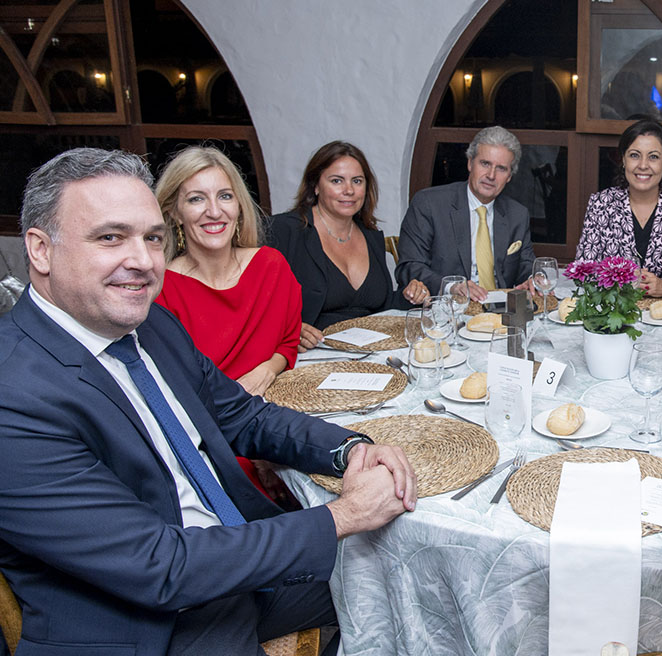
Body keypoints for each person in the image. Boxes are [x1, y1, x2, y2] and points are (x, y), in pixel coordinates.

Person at [1, 147, 417, 654]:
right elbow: (162, 567)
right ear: (40, 250)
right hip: (155, 622)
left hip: (234, 562)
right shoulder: (14, 394)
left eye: (152, 238)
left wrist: (351, 449)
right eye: (110, 237)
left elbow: (245, 416)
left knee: (403, 585)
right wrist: (343, 516)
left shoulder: (151, 324)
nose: (141, 261)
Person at [153, 145, 303, 502]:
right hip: (211, 436)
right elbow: (178, 395)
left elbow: (288, 341)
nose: (214, 211)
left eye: (225, 196)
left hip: (276, 411)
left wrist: (269, 367)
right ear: (174, 211)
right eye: (196, 199)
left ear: (239, 206)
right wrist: (256, 447)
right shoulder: (162, 290)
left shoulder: (270, 265)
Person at [268, 141, 426, 350]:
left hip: (366, 356)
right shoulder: (285, 230)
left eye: (357, 181)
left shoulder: (370, 235)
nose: (349, 190)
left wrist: (410, 296)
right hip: (309, 359)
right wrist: (289, 329)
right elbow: (255, 303)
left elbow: (381, 306)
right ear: (315, 186)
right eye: (337, 181)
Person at [396, 126, 536, 302]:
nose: (491, 175)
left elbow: (526, 264)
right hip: (445, 310)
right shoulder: (429, 204)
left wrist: (533, 279)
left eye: (501, 168)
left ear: (509, 176)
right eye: (485, 163)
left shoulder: (517, 214)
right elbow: (409, 266)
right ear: (470, 163)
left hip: (500, 313)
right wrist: (451, 286)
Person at [575, 118, 662, 297]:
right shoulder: (601, 204)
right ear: (623, 159)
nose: (643, 165)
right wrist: (619, 282)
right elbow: (584, 269)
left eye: (653, 156)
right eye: (634, 155)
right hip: (613, 314)